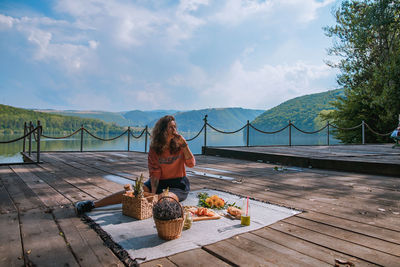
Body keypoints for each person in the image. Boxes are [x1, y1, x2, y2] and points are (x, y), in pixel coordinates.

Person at [75, 115, 195, 215]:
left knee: (165, 199)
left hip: (178, 184)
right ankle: (93, 204)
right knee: (131, 193)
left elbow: (191, 164)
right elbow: (155, 173)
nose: (174, 130)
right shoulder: (155, 149)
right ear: (163, 131)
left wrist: (185, 145)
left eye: (175, 127)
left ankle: (153, 211)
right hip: (158, 182)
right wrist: (151, 194)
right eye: (170, 127)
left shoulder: (180, 145)